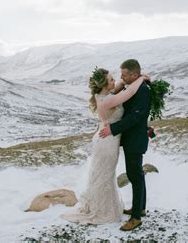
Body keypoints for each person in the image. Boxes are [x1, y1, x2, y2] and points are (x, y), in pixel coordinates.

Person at [60, 66, 148, 225]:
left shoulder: (104, 95)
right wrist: (141, 78)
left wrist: (134, 77)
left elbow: (121, 86)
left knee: (105, 176)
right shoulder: (109, 99)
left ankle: (105, 207)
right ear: (105, 85)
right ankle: (102, 211)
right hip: (107, 142)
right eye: (112, 79)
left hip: (106, 139)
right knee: (105, 177)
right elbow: (129, 93)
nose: (116, 81)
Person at [99, 59, 151, 231]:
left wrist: (112, 129)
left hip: (135, 140)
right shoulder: (134, 86)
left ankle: (136, 218)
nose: (121, 77)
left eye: (124, 75)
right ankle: (140, 208)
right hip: (132, 139)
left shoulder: (143, 90)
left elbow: (134, 117)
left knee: (134, 176)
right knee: (137, 174)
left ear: (134, 75)